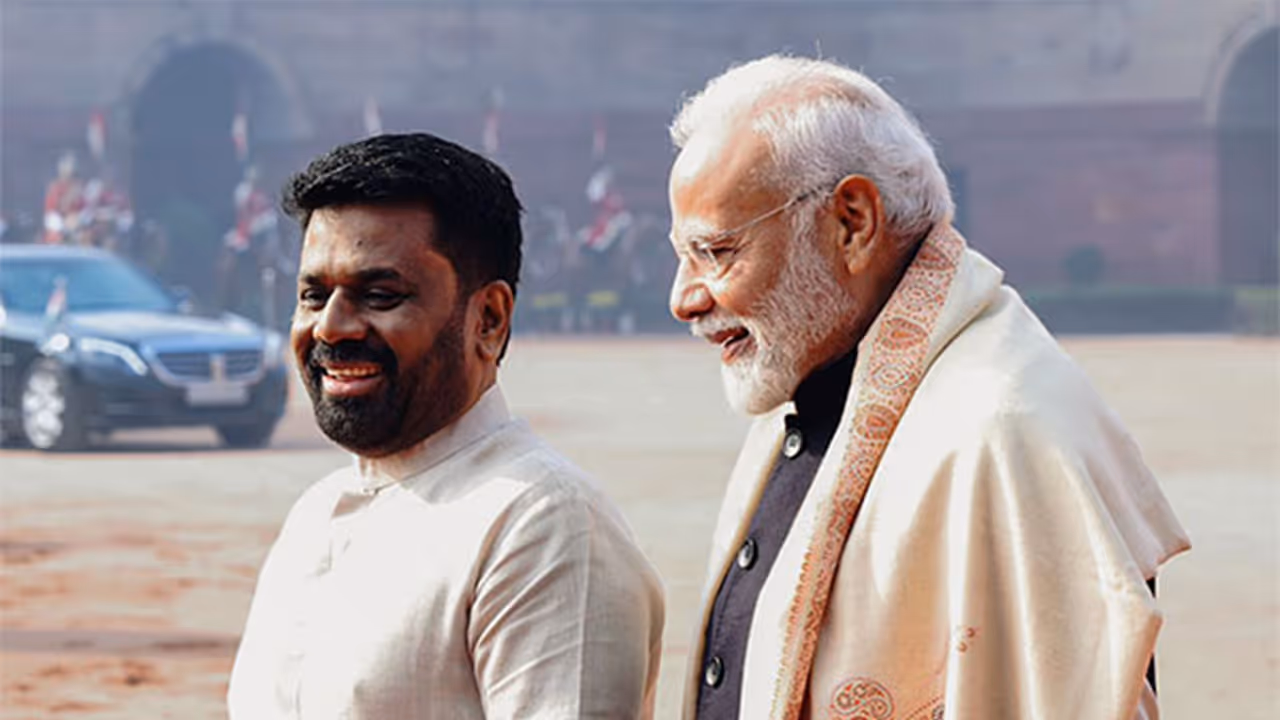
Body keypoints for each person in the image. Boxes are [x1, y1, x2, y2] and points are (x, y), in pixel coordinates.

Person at [665, 56, 1189, 720]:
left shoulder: (1003, 432)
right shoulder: (816, 380)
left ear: (852, 222)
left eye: (716, 252)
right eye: (682, 255)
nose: (684, 298)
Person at [227, 133, 664, 719]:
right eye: (313, 294)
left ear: (488, 318)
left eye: (379, 295)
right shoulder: (314, 514)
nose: (331, 327)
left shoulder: (544, 526)